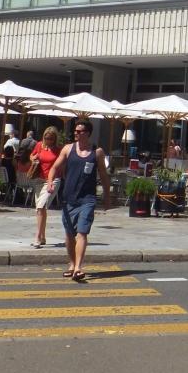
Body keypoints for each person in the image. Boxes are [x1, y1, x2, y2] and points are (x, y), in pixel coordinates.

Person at [45, 120, 111, 282]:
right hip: (69, 198)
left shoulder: (97, 152)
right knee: (69, 235)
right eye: (75, 131)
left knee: (82, 232)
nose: (76, 133)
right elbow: (54, 167)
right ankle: (72, 264)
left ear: (87, 133)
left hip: (87, 199)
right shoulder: (68, 149)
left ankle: (78, 268)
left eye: (79, 131)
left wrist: (107, 196)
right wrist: (50, 182)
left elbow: (103, 175)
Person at [27, 127, 61, 248]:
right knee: (40, 208)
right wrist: (33, 158)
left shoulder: (58, 150)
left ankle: (37, 236)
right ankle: (43, 237)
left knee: (41, 206)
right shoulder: (39, 145)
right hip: (39, 179)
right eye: (46, 138)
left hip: (53, 180)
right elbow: (31, 155)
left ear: (55, 139)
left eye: (51, 138)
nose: (48, 141)